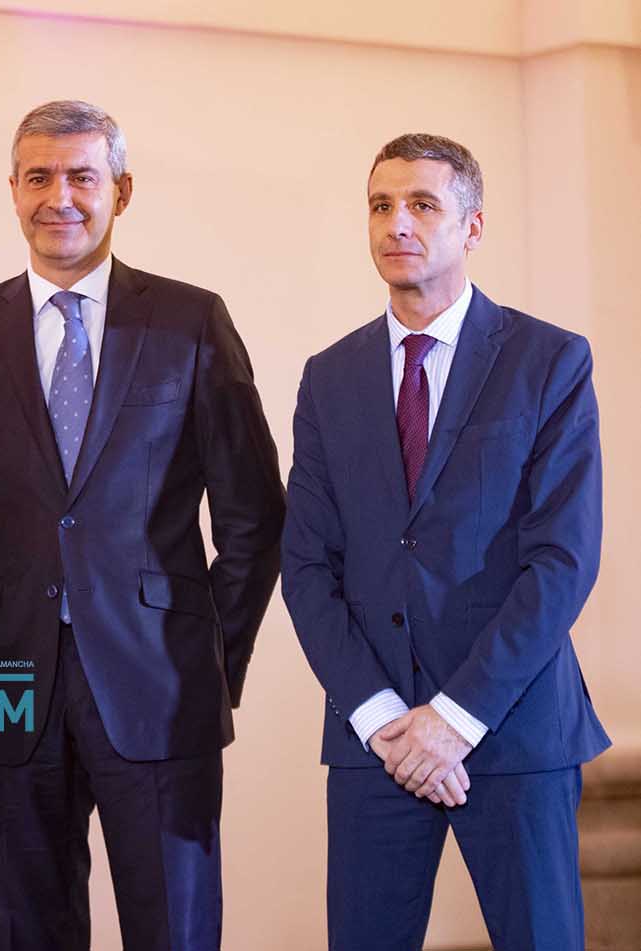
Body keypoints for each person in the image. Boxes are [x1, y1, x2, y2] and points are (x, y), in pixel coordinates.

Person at [0, 99, 284, 950]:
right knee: (25, 928)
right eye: (38, 177)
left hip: (163, 678)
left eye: (81, 176)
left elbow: (253, 517)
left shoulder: (191, 320)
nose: (59, 197)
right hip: (4, 677)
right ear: (12, 190)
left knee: (173, 927)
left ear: (121, 190)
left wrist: (207, 656)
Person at [282, 133, 609, 950]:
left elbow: (561, 560)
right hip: (376, 737)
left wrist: (455, 718)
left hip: (513, 725)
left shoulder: (548, 360)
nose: (397, 222)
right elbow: (306, 566)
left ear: (471, 227)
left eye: (422, 204)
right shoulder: (328, 376)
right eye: (380, 205)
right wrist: (383, 719)